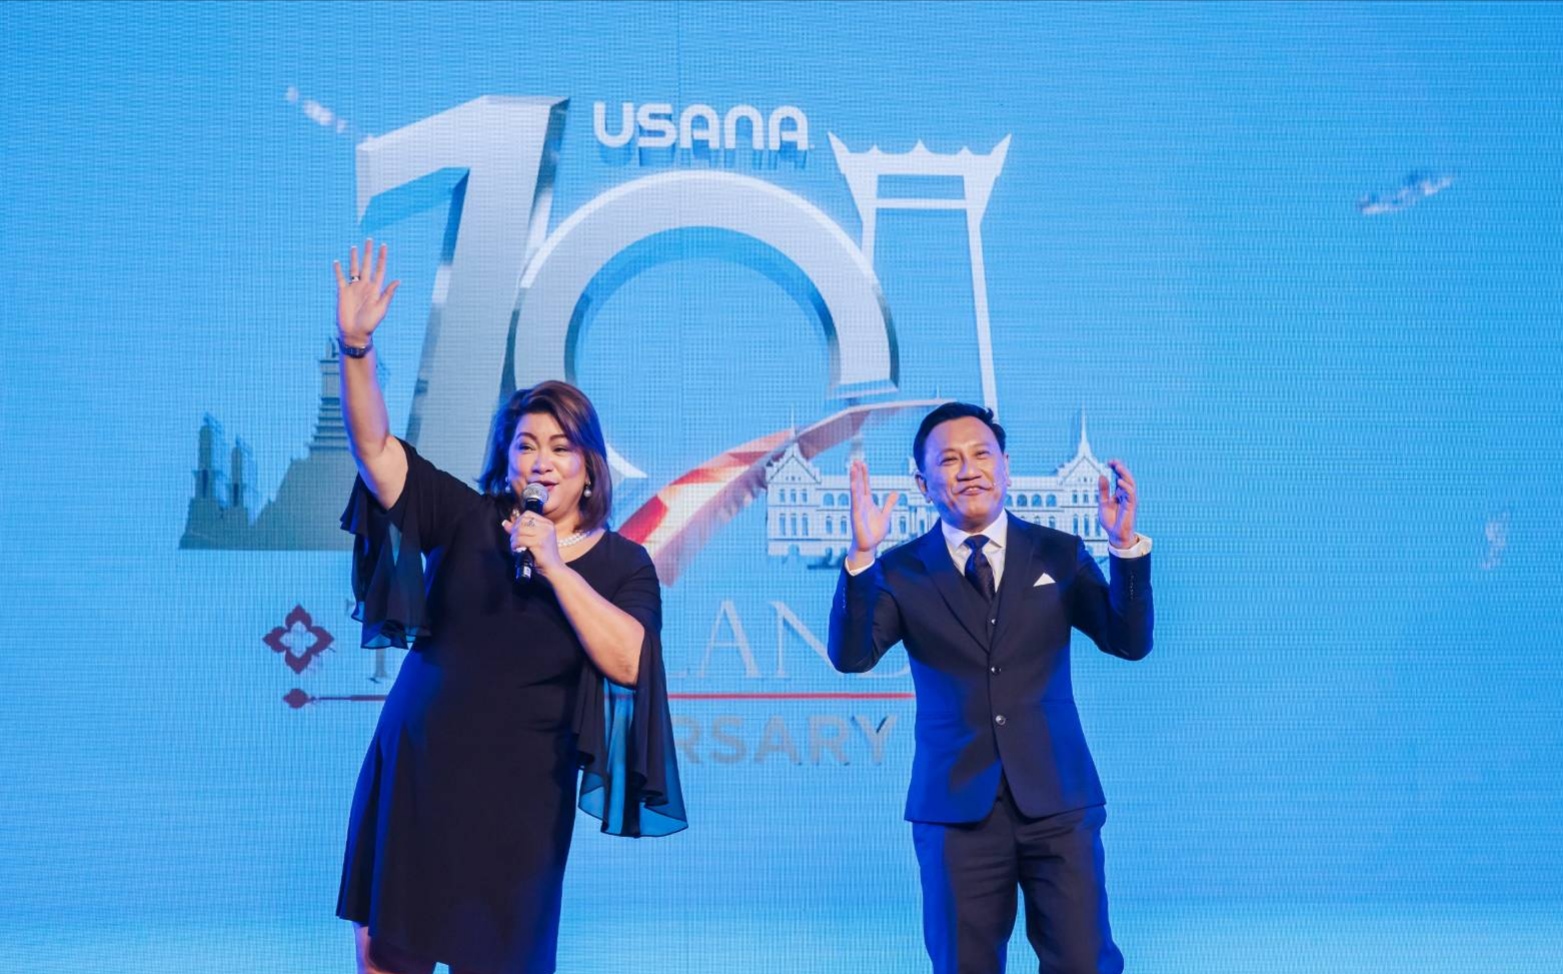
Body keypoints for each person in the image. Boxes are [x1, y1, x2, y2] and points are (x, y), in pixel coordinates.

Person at [330, 240, 686, 974]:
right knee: (388, 955)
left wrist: (554, 566)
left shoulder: (622, 564)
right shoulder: (466, 518)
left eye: (560, 447)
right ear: (507, 458)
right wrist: (357, 349)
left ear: (589, 468)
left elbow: (629, 659)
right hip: (421, 770)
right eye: (526, 445)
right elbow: (375, 452)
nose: (541, 461)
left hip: (522, 798)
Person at [828, 402, 1154, 974]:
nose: (968, 470)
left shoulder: (1059, 552)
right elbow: (852, 657)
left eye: (982, 454)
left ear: (1006, 465)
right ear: (922, 483)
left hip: (1059, 800)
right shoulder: (901, 570)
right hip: (955, 811)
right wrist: (862, 557)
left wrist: (1124, 549)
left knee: (1085, 962)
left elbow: (1127, 641)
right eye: (948, 460)